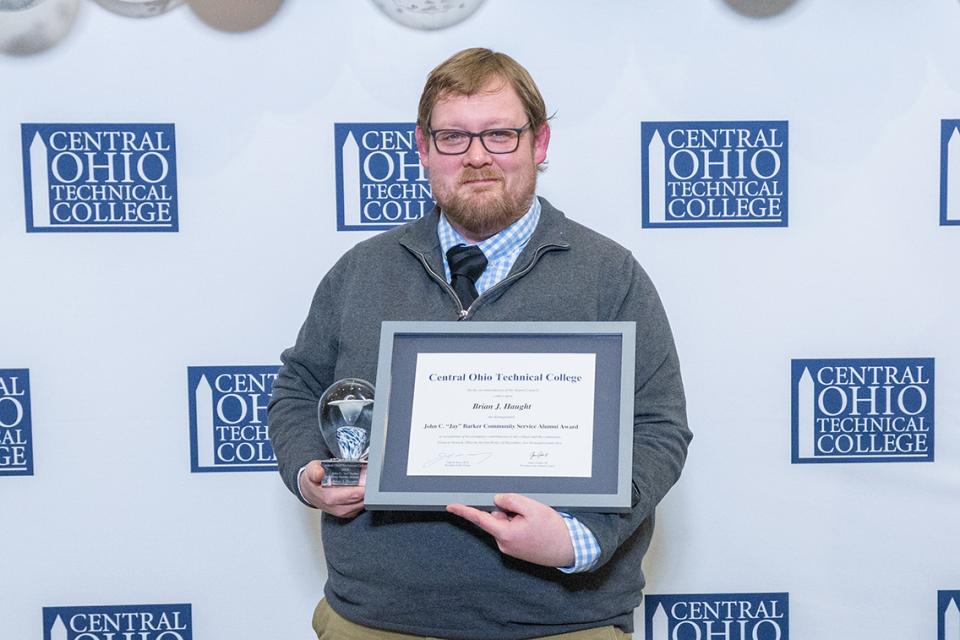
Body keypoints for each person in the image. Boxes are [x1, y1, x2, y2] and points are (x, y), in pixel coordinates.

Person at [268, 47, 691, 640]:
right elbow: (299, 388)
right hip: (377, 619)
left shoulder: (608, 275)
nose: (476, 157)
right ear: (423, 147)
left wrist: (582, 535)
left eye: (500, 135)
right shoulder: (362, 271)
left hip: (561, 622)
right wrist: (309, 469)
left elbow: (659, 426)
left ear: (539, 144)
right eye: (452, 138)